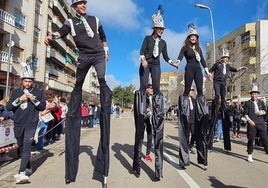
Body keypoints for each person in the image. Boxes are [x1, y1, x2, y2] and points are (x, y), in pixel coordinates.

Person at [44, 0, 112, 185]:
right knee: (78, 83)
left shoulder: (95, 19)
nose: (83, 6)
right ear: (74, 6)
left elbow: (103, 36)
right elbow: (61, 33)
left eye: (84, 3)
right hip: (83, 55)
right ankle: (75, 101)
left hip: (98, 54)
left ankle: (106, 100)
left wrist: (106, 50)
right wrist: (51, 36)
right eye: (80, 4)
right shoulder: (70, 23)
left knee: (102, 78)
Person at [133, 5, 177, 181]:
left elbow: (165, 57)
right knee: (144, 88)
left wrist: (173, 63)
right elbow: (141, 52)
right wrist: (143, 60)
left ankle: (157, 109)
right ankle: (143, 108)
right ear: (155, 29)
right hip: (146, 64)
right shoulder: (147, 39)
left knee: (157, 89)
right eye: (159, 29)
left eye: (163, 30)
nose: (161, 32)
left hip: (157, 65)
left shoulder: (164, 43)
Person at [6, 57, 46, 184]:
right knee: (22, 147)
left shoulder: (38, 92)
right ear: (22, 81)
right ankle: (28, 166)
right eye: (26, 81)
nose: (28, 83)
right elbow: (9, 107)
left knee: (27, 146)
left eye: (30, 81)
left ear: (32, 82)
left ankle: (21, 173)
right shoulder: (16, 92)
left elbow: (42, 107)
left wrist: (34, 99)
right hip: (18, 122)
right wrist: (20, 99)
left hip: (31, 123)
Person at [177, 23, 210, 170]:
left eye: (195, 37)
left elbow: (202, 61)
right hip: (189, 69)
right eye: (191, 37)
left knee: (200, 92)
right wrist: (177, 62)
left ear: (197, 38)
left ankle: (201, 108)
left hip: (198, 71)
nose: (193, 39)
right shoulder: (185, 48)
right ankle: (185, 106)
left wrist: (208, 72)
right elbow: (179, 57)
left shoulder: (198, 49)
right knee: (187, 91)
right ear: (188, 38)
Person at [244, 85, 268, 163]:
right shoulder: (247, 103)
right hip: (252, 124)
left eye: (255, 94)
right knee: (251, 139)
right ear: (251, 94)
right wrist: (249, 121)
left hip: (261, 124)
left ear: (258, 94)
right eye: (252, 94)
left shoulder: (261, 102)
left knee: (265, 140)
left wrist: (263, 112)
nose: (254, 95)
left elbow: (265, 111)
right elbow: (245, 114)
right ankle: (250, 154)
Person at [177, 87, 196, 169]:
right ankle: (183, 160)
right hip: (186, 122)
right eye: (191, 90)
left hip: (193, 121)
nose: (192, 92)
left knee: (195, 134)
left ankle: (191, 145)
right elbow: (181, 111)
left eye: (193, 91)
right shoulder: (183, 99)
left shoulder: (194, 100)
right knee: (185, 138)